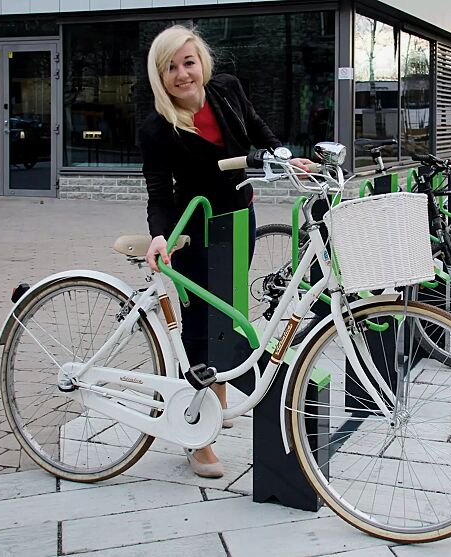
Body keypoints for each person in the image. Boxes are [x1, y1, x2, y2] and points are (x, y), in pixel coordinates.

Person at [139, 25, 311, 478]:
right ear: (161, 75)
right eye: (171, 67)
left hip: (239, 220)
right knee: (199, 328)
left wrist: (287, 157)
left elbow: (258, 130)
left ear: (202, 63)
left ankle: (214, 400)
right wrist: (160, 235)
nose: (182, 74)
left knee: (231, 315)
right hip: (193, 231)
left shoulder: (227, 90)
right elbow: (158, 192)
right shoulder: (157, 127)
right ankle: (196, 435)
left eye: (188, 62)